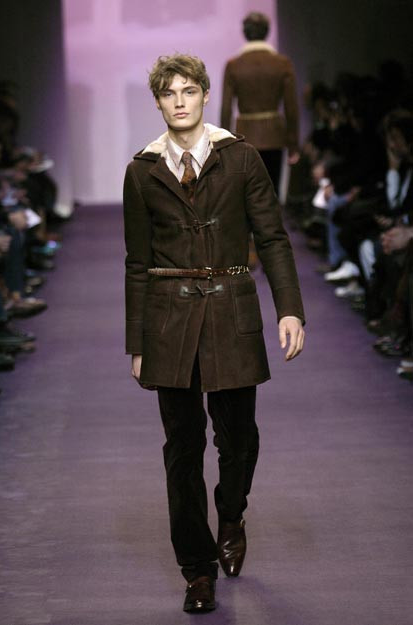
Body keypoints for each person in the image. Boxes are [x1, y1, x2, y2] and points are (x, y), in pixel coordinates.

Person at [123, 54, 305, 613]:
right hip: (169, 319)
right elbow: (136, 261)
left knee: (239, 438)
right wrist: (137, 341)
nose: (180, 101)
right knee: (182, 449)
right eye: (169, 93)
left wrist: (290, 309)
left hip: (231, 310)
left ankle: (231, 512)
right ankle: (197, 571)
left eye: (189, 90)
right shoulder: (142, 170)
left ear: (205, 95)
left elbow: (271, 238)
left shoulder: (241, 157)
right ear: (158, 102)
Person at [220, 12, 300, 195]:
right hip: (274, 136)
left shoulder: (234, 65)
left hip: (245, 136)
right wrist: (293, 144)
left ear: (245, 33)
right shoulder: (282, 64)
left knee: (248, 193)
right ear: (267, 32)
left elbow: (226, 109)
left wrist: (223, 146)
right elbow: (291, 108)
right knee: (272, 191)